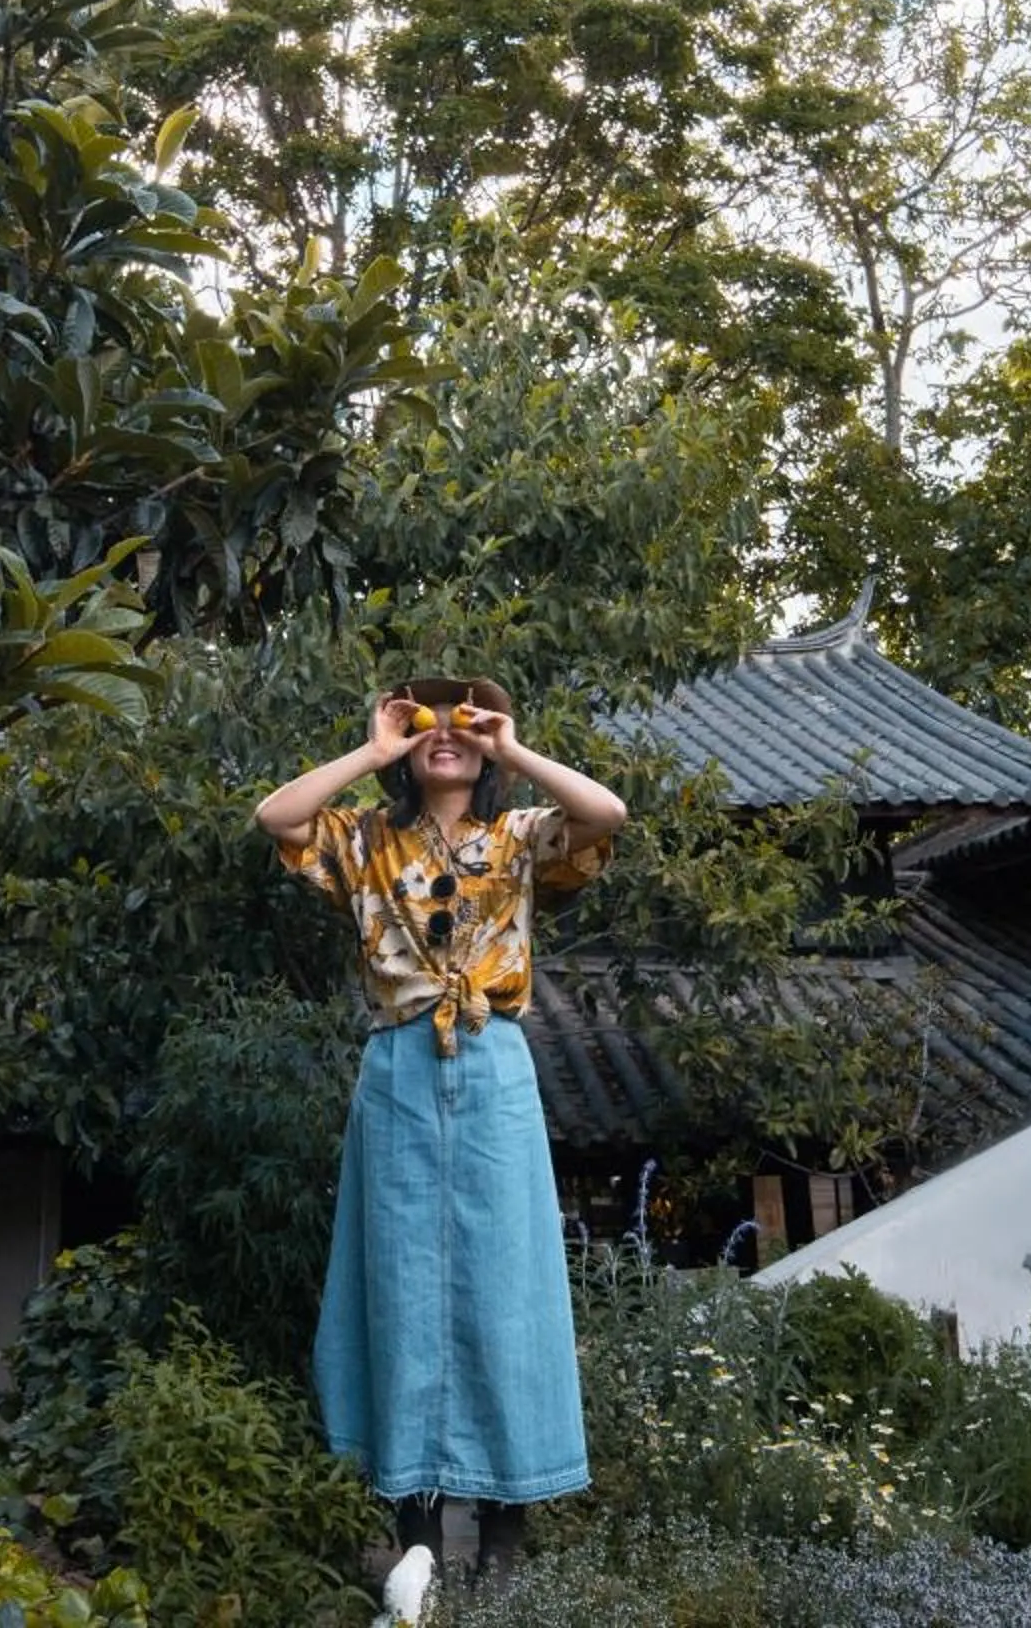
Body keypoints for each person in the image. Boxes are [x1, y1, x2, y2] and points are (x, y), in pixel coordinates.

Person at [253, 676, 629, 1583]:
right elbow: (278, 815)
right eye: (430, 721)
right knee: (402, 1285)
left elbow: (606, 811)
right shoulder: (366, 838)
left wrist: (509, 746)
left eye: (465, 719)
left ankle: (503, 1536)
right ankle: (414, 1525)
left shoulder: (520, 836)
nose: (446, 733)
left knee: (508, 1288)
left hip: (495, 1063)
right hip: (399, 1066)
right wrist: (376, 751)